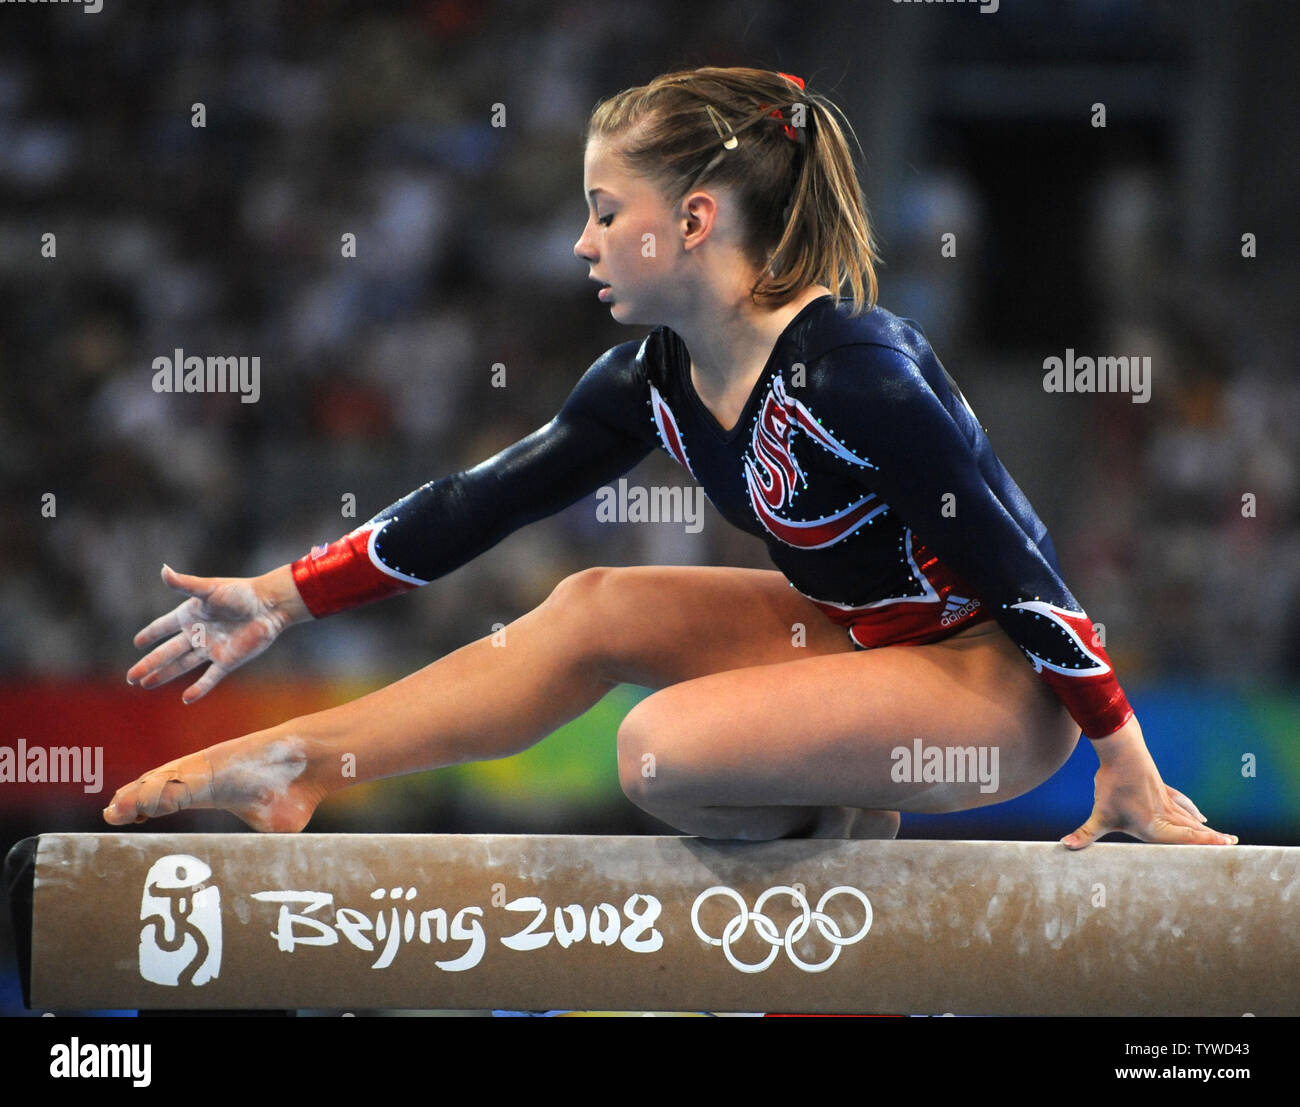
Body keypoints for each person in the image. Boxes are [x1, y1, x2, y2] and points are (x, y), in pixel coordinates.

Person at [104, 67, 1235, 848]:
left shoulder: (857, 373)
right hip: (857, 643)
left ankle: (844, 815)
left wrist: (1121, 760)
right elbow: (469, 506)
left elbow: (1023, 567)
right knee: (594, 604)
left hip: (993, 689)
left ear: (692, 221)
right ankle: (305, 764)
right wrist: (278, 600)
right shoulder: (649, 380)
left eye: (604, 211)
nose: (583, 243)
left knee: (659, 755)